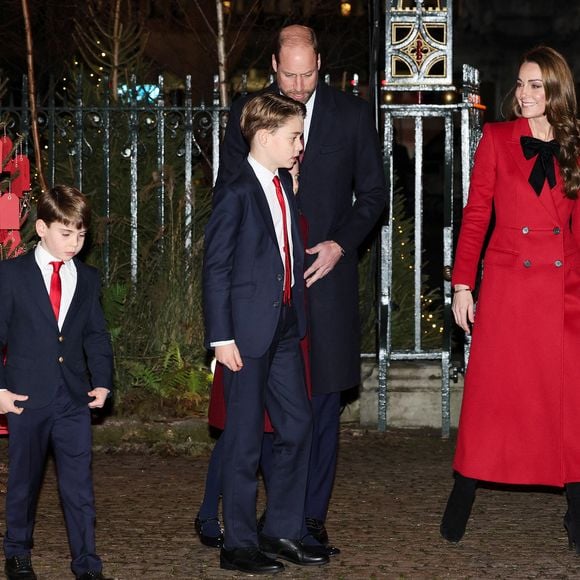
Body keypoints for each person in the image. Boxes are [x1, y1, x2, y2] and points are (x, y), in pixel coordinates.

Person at [216, 24, 387, 550]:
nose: (297, 85)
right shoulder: (248, 114)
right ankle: (266, 520)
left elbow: (374, 196)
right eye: (288, 74)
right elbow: (228, 192)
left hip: (326, 284)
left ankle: (308, 521)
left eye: (307, 74)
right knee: (265, 410)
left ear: (321, 65)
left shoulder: (352, 115)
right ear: (273, 65)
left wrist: (339, 244)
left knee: (319, 408)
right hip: (265, 287)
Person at [440, 46, 580, 549]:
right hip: (509, 289)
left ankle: (576, 508)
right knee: (492, 401)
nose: (523, 94)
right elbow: (477, 214)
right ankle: (463, 494)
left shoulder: (575, 145)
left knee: (569, 405)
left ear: (556, 91)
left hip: (562, 292)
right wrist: (462, 284)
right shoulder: (497, 139)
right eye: (520, 84)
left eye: (535, 85)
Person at [203, 92, 329, 574]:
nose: (301, 144)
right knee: (243, 441)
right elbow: (215, 268)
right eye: (295, 136)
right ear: (265, 136)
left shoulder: (282, 185)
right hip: (244, 335)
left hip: (282, 329)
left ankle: (280, 529)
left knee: (298, 426)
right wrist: (221, 338)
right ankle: (237, 545)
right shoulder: (236, 191)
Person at [0, 185, 114, 580]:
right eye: (67, 234)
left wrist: (102, 381)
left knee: (79, 486)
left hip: (72, 398)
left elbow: (96, 335)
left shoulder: (87, 278)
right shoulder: (10, 275)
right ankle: (17, 552)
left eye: (82, 235)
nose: (75, 243)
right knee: (23, 482)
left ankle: (86, 562)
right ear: (42, 228)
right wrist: (0, 391)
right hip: (26, 396)